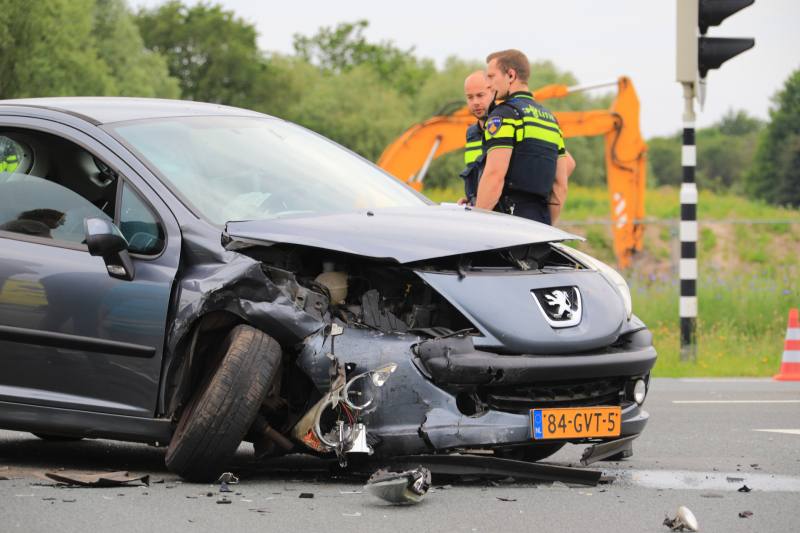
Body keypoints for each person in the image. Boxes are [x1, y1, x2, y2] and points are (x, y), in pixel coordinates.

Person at [476, 49, 571, 224]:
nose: (488, 84)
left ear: (510, 75)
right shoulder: (551, 120)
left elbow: (495, 176)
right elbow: (560, 185)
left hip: (507, 222)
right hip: (540, 224)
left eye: (491, 76)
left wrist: (476, 223)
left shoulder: (503, 115)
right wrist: (547, 226)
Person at [459, 71, 495, 206]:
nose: (475, 102)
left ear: (493, 92)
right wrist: (471, 200)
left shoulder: (508, 127)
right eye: (470, 97)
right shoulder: (471, 133)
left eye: (480, 95)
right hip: (479, 214)